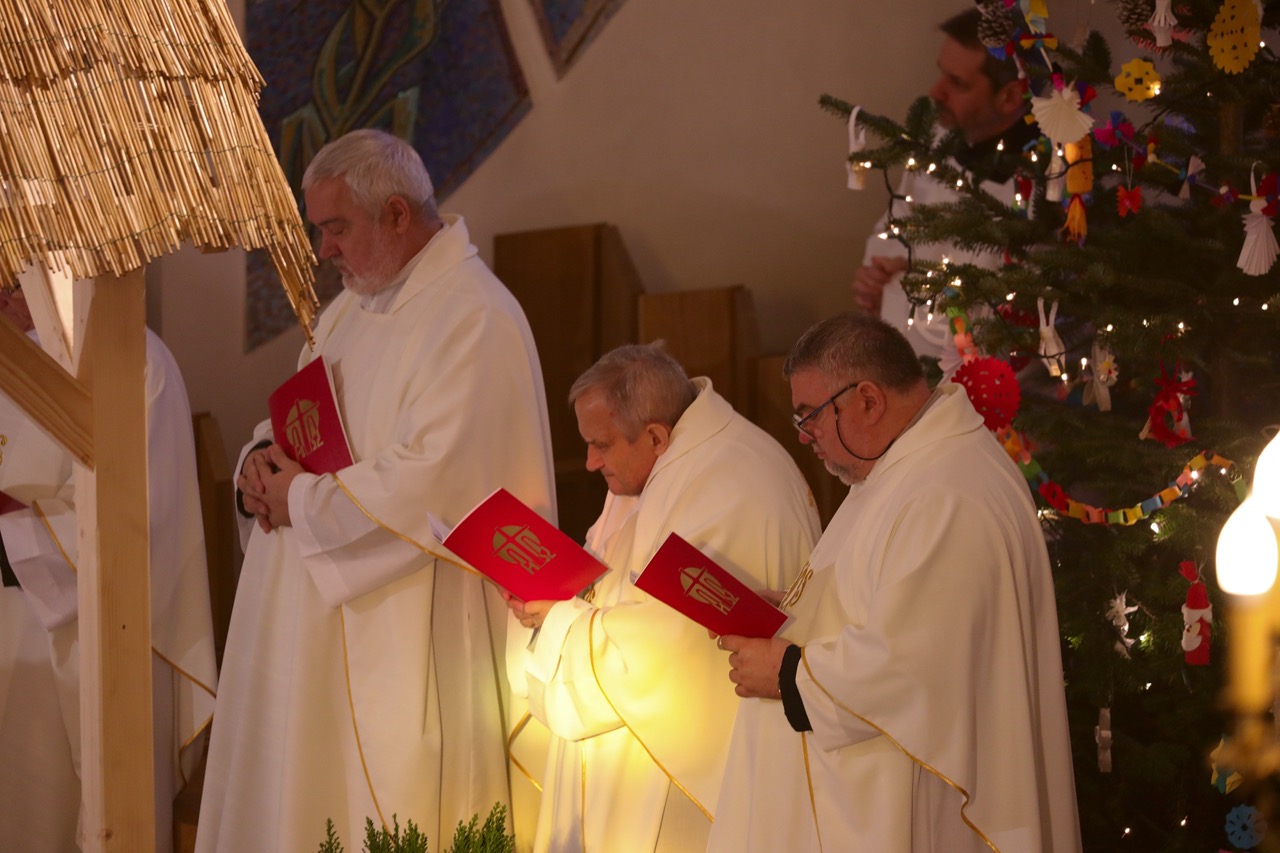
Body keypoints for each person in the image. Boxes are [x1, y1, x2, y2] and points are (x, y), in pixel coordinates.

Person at [195, 129, 556, 852]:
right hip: (315, 619)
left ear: (395, 214)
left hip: (411, 622)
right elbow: (298, 420)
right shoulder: (350, 310)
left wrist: (300, 501)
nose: (323, 250)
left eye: (336, 228)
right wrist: (257, 468)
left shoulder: (474, 316)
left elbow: (437, 482)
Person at [711, 312, 1081, 852]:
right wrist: (795, 608)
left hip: (924, 804)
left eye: (810, 415)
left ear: (867, 400)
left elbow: (918, 663)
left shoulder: (947, 492)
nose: (804, 435)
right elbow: (884, 598)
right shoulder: (902, 465)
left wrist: (789, 673)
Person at [504, 343, 820, 853]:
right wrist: (551, 597)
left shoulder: (726, 484)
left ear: (654, 436)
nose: (590, 462)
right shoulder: (671, 459)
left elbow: (669, 651)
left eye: (601, 445)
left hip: (684, 781)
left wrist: (559, 622)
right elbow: (609, 571)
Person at [0, 287, 218, 853]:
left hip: (91, 643)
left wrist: (11, 529)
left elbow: (135, 521)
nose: (7, 290)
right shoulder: (16, 359)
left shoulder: (135, 361)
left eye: (18, 276)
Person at [852, 7, 1037, 380]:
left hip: (984, 384)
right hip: (901, 365)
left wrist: (914, 272)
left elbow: (1012, 304)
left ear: (1010, 95)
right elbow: (895, 224)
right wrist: (876, 274)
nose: (936, 91)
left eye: (958, 83)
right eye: (941, 73)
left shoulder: (1046, 184)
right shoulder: (938, 140)